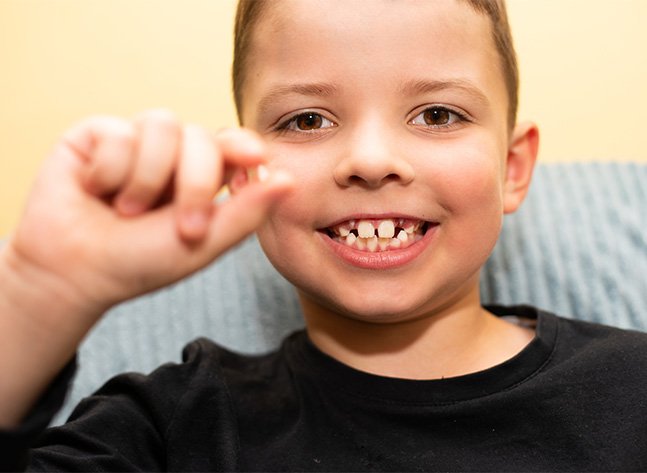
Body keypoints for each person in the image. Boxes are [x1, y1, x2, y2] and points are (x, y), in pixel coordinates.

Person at [1, 0, 646, 470]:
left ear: (511, 168)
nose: (369, 159)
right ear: (242, 166)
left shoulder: (634, 387)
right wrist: (38, 295)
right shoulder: (173, 426)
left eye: (438, 113)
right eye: (307, 119)